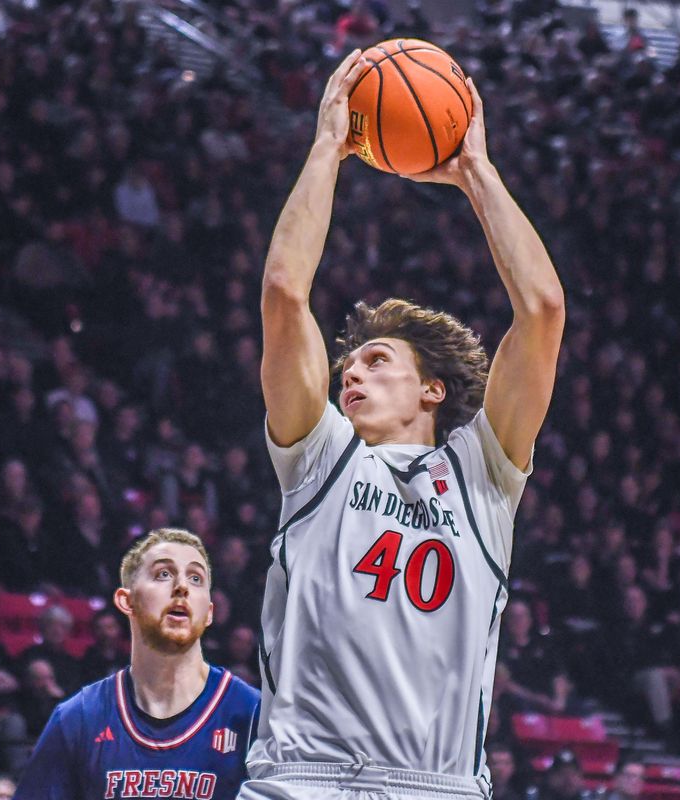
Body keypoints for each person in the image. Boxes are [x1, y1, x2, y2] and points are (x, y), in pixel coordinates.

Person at [247, 51, 564, 798]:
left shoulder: (484, 477)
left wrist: (474, 171)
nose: (349, 372)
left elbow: (543, 312)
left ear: (431, 389)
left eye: (375, 360)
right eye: (347, 364)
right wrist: (327, 147)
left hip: (436, 784)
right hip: (302, 780)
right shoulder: (318, 455)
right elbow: (285, 293)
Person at [15, 528, 260, 799]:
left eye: (195, 578)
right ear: (126, 600)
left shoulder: (252, 714)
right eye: (163, 574)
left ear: (209, 612)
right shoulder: (79, 717)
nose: (181, 587)